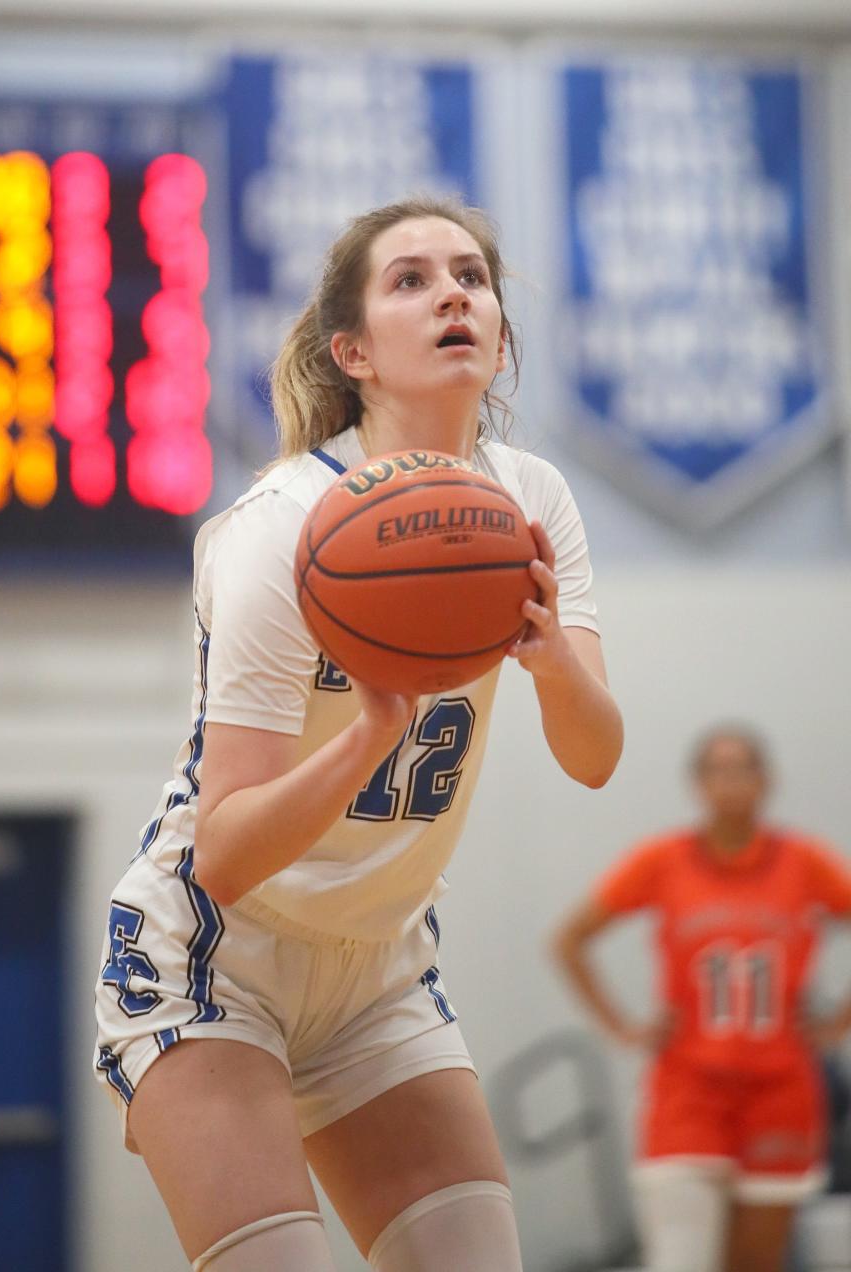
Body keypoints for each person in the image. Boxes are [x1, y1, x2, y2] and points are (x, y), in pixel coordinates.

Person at [94, 194, 623, 1272]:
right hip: (211, 956)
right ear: (355, 351)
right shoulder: (281, 529)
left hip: (380, 962)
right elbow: (228, 853)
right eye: (413, 280)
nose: (454, 296)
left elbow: (595, 756)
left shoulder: (531, 499)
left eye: (472, 277)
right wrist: (373, 726)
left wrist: (551, 654)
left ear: (500, 329)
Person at [552, 726, 851, 1272]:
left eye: (743, 769)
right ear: (697, 784)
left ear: (767, 780)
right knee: (679, 1259)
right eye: (717, 769)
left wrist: (838, 1023)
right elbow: (569, 939)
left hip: (779, 1089)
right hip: (688, 1091)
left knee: (757, 1262)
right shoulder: (664, 860)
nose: (731, 783)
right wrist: (623, 1027)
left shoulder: (803, 861)